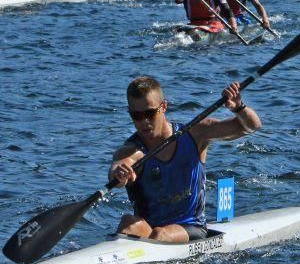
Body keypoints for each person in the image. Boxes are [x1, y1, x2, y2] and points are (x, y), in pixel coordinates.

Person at [109, 76, 261, 242]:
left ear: (164, 106)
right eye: (136, 115)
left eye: (150, 113)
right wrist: (119, 175)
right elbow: (117, 170)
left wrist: (239, 107)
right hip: (149, 228)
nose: (144, 121)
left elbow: (251, 126)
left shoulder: (196, 134)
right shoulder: (131, 151)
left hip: (191, 226)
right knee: (128, 223)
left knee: (161, 234)